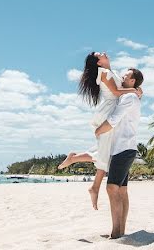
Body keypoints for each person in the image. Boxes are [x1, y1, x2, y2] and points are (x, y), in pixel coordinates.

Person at [57, 53, 141, 209]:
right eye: (99, 55)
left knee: (104, 151)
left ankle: (80, 166)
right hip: (108, 112)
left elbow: (123, 88)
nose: (104, 53)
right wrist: (133, 91)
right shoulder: (104, 73)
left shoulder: (111, 71)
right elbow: (116, 93)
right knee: (104, 152)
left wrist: (135, 90)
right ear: (99, 62)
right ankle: (93, 186)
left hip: (111, 110)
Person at [94, 68, 143, 240]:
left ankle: (116, 233)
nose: (122, 76)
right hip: (126, 148)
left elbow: (114, 120)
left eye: (126, 75)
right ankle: (120, 230)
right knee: (121, 190)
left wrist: (99, 130)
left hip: (123, 149)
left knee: (112, 188)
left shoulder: (129, 97)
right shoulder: (130, 95)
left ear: (133, 81)